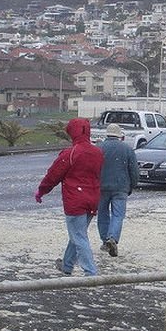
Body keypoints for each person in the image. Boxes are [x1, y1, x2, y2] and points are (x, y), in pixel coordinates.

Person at [35, 118, 104, 276]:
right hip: (93, 197)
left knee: (78, 236)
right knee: (78, 233)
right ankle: (67, 265)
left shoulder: (70, 153)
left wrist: (41, 191)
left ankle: (90, 271)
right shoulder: (97, 152)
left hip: (75, 199)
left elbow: (53, 175)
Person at [97, 123, 138, 257]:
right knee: (118, 215)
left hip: (101, 187)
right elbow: (134, 170)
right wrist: (132, 185)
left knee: (102, 214)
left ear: (107, 134)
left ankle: (105, 241)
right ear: (119, 135)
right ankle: (113, 238)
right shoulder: (127, 149)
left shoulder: (99, 148)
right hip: (121, 187)